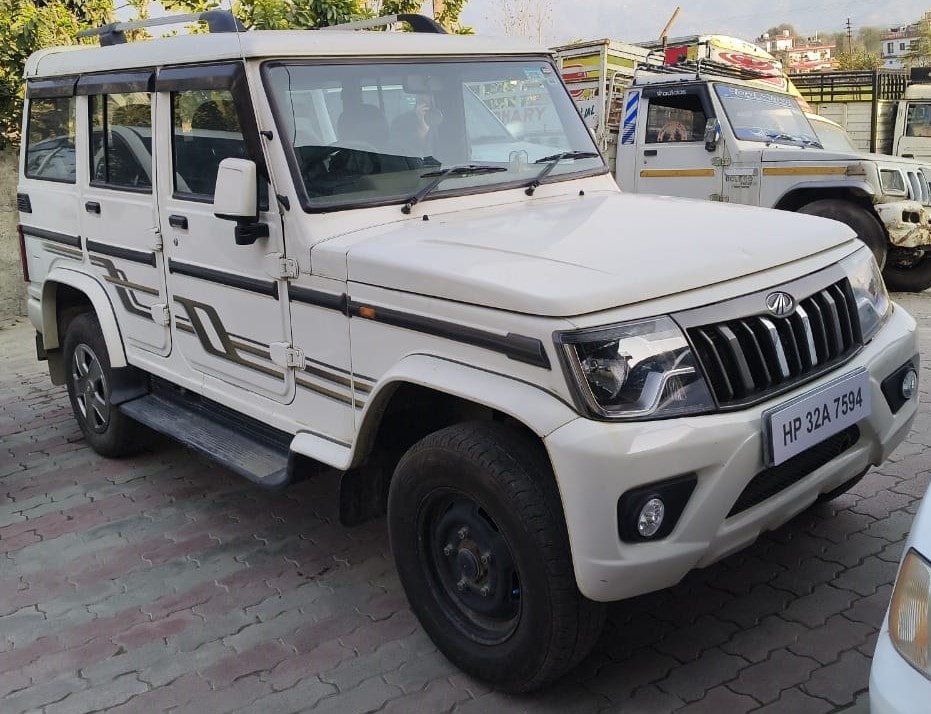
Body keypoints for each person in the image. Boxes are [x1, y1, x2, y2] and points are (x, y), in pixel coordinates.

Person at [391, 93, 442, 158]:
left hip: (447, 166)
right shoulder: (400, 122)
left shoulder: (451, 120)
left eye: (432, 94)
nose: (431, 98)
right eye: (424, 93)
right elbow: (402, 152)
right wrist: (422, 129)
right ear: (417, 96)